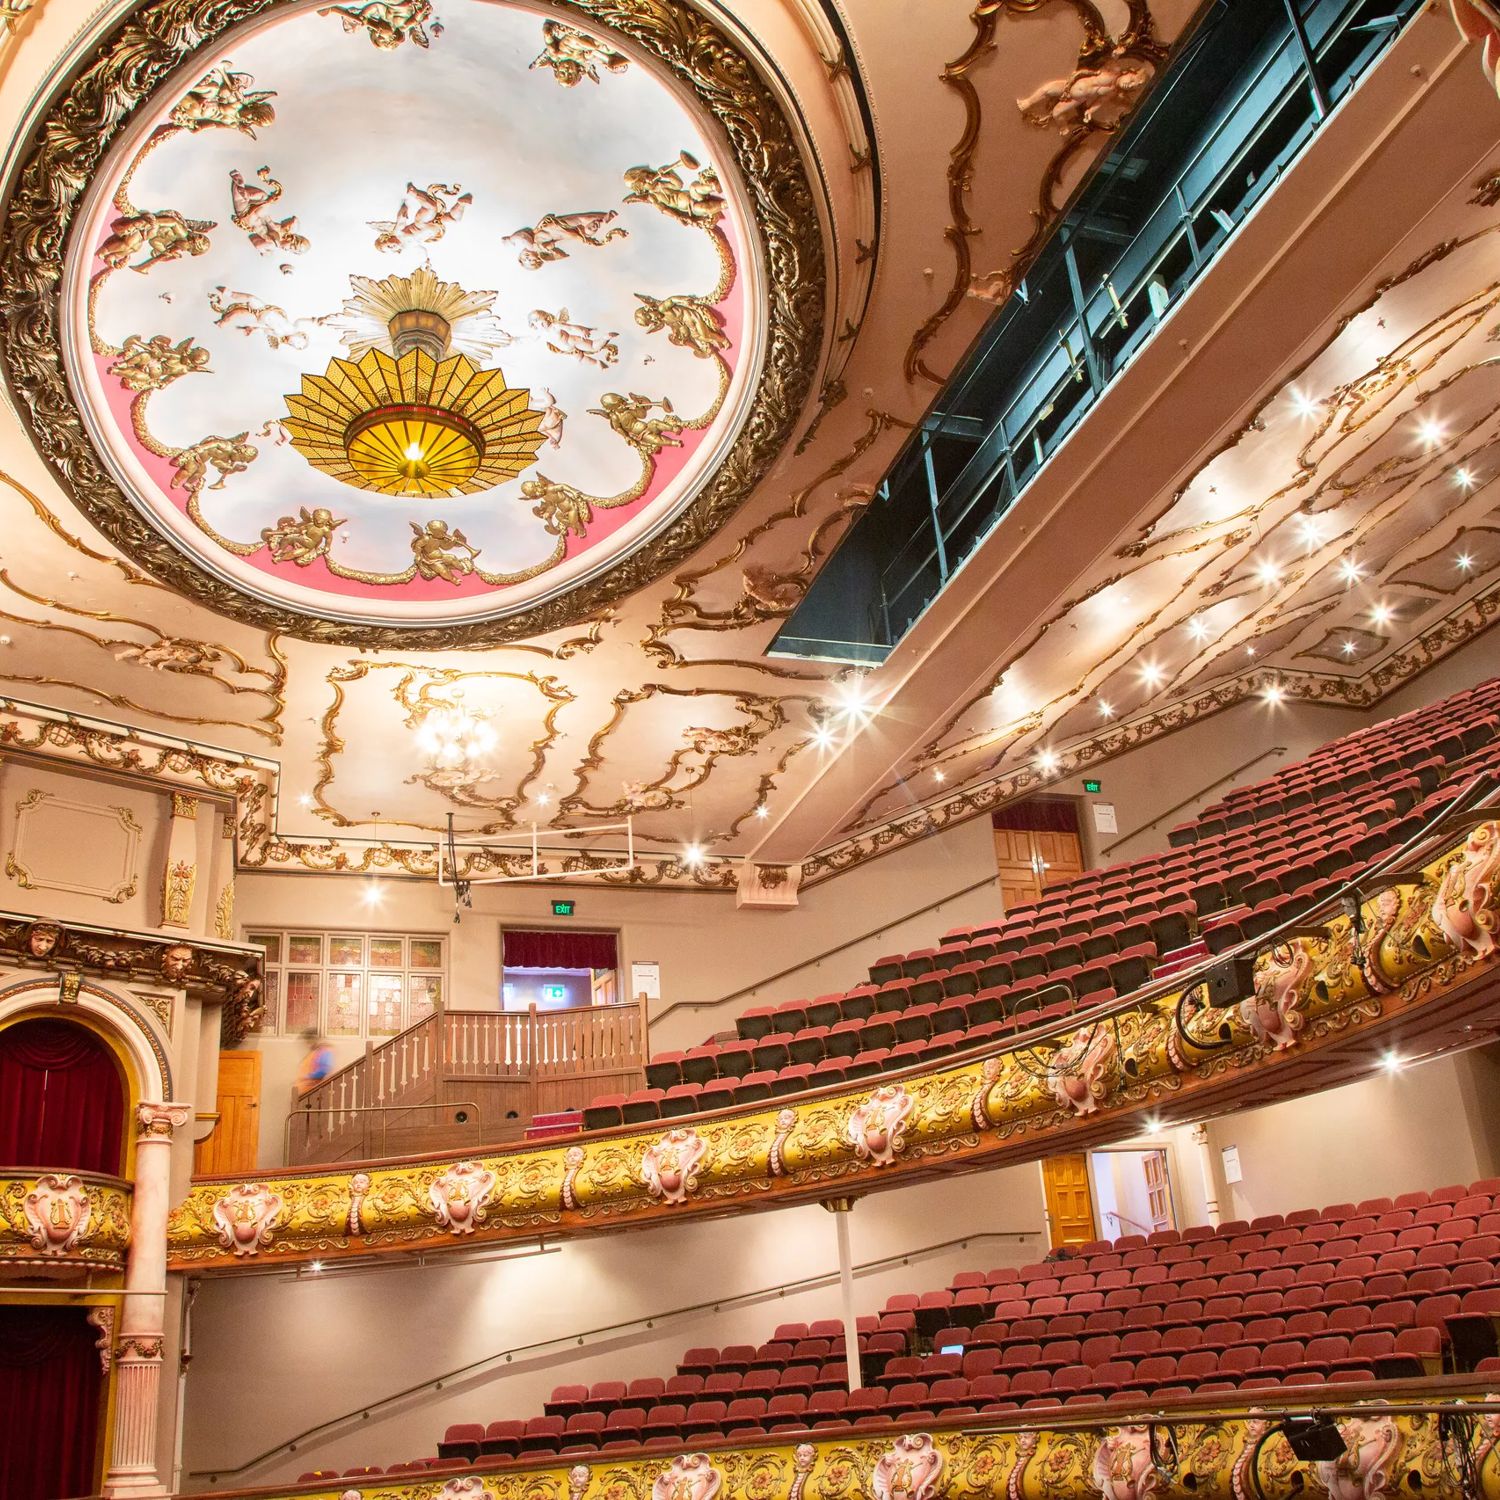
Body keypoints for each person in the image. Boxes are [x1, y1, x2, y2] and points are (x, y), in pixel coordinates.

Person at [295, 1029, 334, 1096]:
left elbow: (323, 1071)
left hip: (313, 1093)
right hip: (306, 1093)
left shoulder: (323, 1051)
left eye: (308, 1041)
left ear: (315, 1039)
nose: (307, 1044)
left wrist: (306, 1077)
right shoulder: (314, 1052)